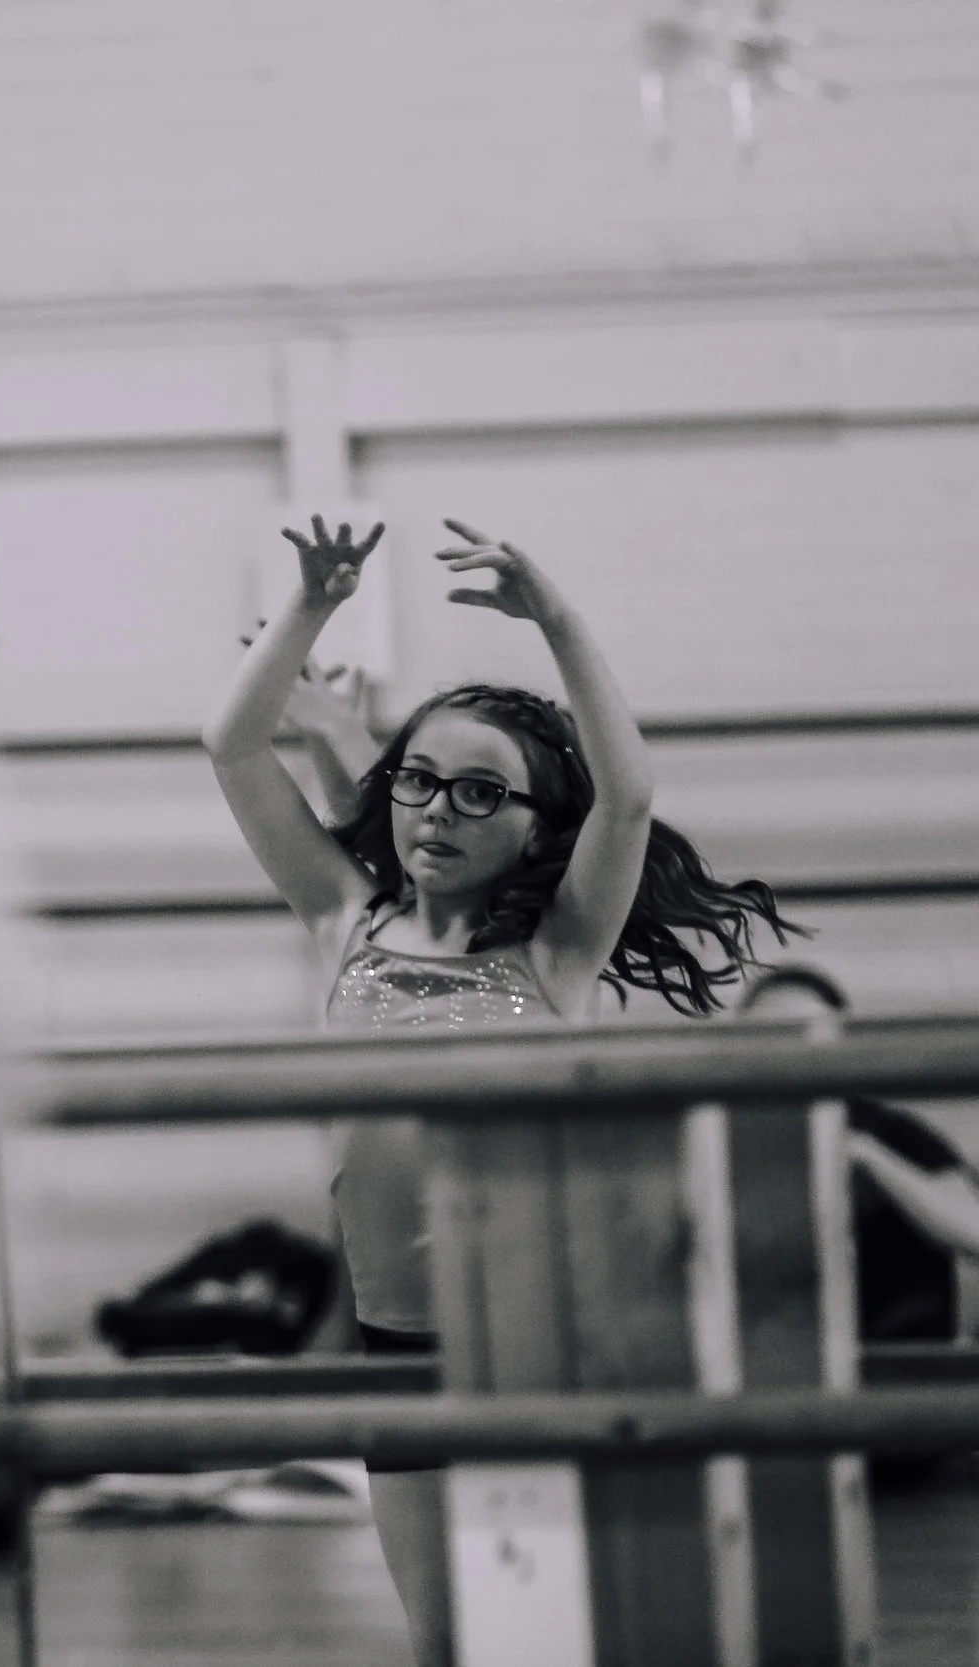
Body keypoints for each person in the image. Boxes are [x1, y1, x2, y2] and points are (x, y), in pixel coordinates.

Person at [203, 515, 795, 1667]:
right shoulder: (342, 918)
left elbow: (627, 799)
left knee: (548, 1632)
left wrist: (557, 620)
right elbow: (231, 746)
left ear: (534, 830)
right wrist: (311, 606)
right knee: (443, 1642)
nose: (438, 809)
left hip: (538, 1333)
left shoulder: (555, 953)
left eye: (481, 793)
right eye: (421, 781)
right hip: (398, 1336)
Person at [737, 967, 979, 1345]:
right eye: (765, 1035)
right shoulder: (722, 1139)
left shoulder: (886, 1133)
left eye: (802, 1032)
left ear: (839, 1041)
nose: (784, 1050)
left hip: (898, 1365)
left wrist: (866, 1157)